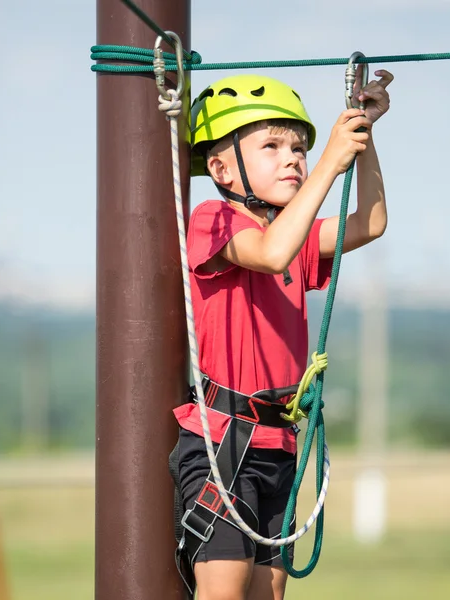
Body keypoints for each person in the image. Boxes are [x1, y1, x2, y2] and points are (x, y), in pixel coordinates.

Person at [172, 68, 393, 600]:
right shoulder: (214, 220)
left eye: (298, 147)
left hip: (280, 446)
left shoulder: (289, 234)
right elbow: (270, 254)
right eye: (272, 145)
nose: (293, 157)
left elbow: (370, 222)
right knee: (223, 591)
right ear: (221, 168)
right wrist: (329, 164)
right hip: (224, 442)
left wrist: (364, 139)